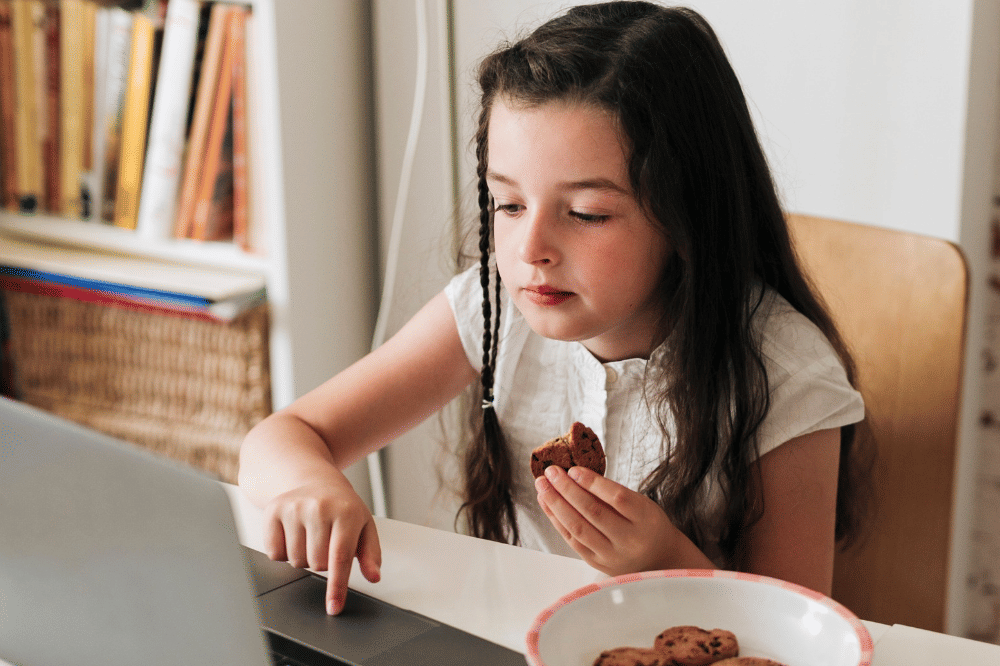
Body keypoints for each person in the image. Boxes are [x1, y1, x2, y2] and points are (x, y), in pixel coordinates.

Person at [238, 1, 873, 616]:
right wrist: (308, 487)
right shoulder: (495, 308)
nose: (530, 249)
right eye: (509, 205)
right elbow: (283, 437)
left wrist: (668, 564)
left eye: (586, 213)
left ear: (686, 215)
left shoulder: (786, 377)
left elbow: (796, 637)